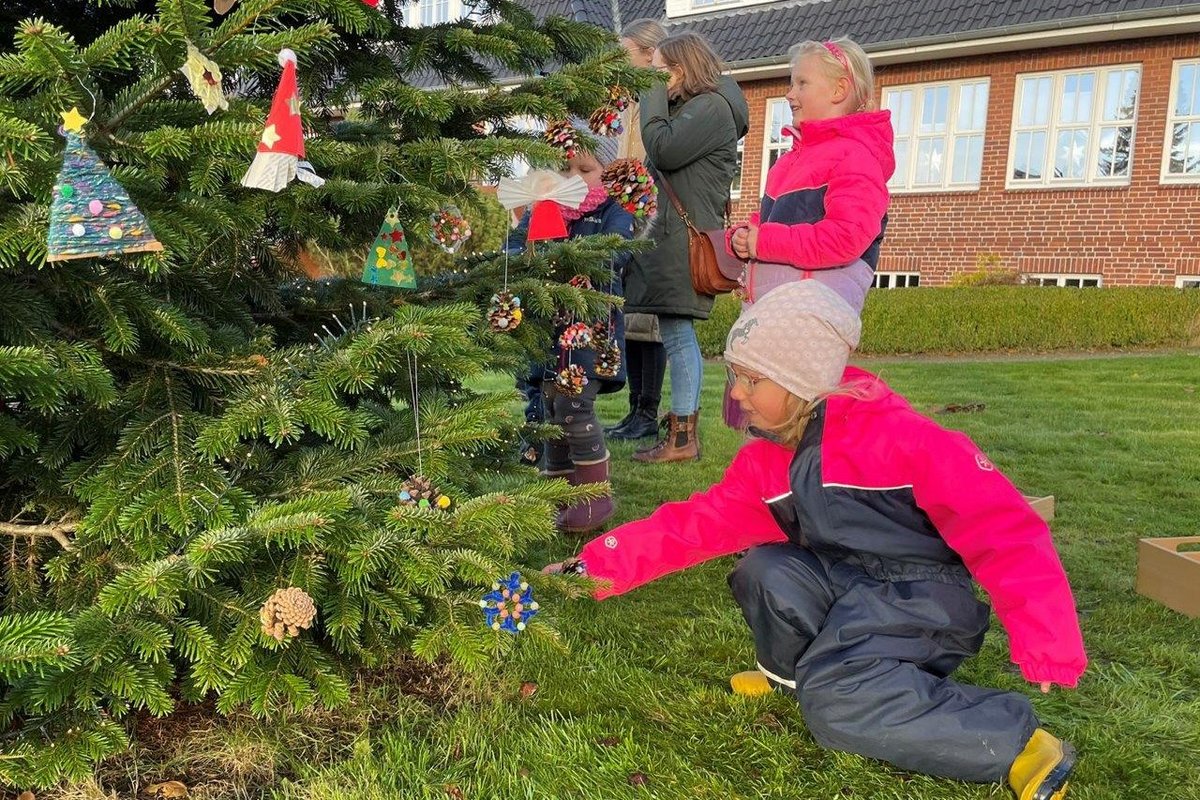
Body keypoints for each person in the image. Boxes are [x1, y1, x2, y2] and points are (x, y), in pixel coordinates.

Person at [545, 281, 1086, 800]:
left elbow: (1007, 532)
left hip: (921, 602)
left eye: (752, 380)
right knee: (765, 569)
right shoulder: (768, 460)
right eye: (736, 376)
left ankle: (1017, 741)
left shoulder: (909, 444)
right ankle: (793, 677)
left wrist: (1046, 639)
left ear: (802, 380)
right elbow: (692, 526)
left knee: (837, 704)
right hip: (846, 585)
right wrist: (591, 567)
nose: (736, 393)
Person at [623, 32, 749, 463]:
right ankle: (679, 434)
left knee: (679, 336)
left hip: (683, 241)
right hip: (671, 238)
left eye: (661, 73)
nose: (655, 82)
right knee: (676, 335)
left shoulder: (711, 108)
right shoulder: (698, 108)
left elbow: (663, 149)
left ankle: (682, 438)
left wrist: (651, 96)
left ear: (683, 68)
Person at [507, 123, 634, 531]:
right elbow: (513, 251)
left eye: (586, 169)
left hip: (589, 332)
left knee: (573, 406)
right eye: (565, 171)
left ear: (607, 172)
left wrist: (562, 257)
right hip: (547, 330)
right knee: (548, 407)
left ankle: (595, 497)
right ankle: (557, 495)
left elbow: (617, 255)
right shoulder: (540, 210)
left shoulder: (614, 213)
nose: (574, 180)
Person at [727, 37, 893, 313]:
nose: (789, 94)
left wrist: (764, 242)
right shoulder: (786, 164)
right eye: (791, 84)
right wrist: (743, 238)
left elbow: (845, 237)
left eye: (802, 83)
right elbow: (764, 224)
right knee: (743, 356)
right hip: (771, 311)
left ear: (839, 89)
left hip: (812, 316)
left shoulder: (855, 157)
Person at [606, 18, 669, 443]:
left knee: (652, 320)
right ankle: (635, 411)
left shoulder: (660, 98)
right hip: (626, 207)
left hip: (650, 213)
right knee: (633, 319)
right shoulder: (631, 99)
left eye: (627, 54)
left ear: (649, 55)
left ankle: (648, 410)